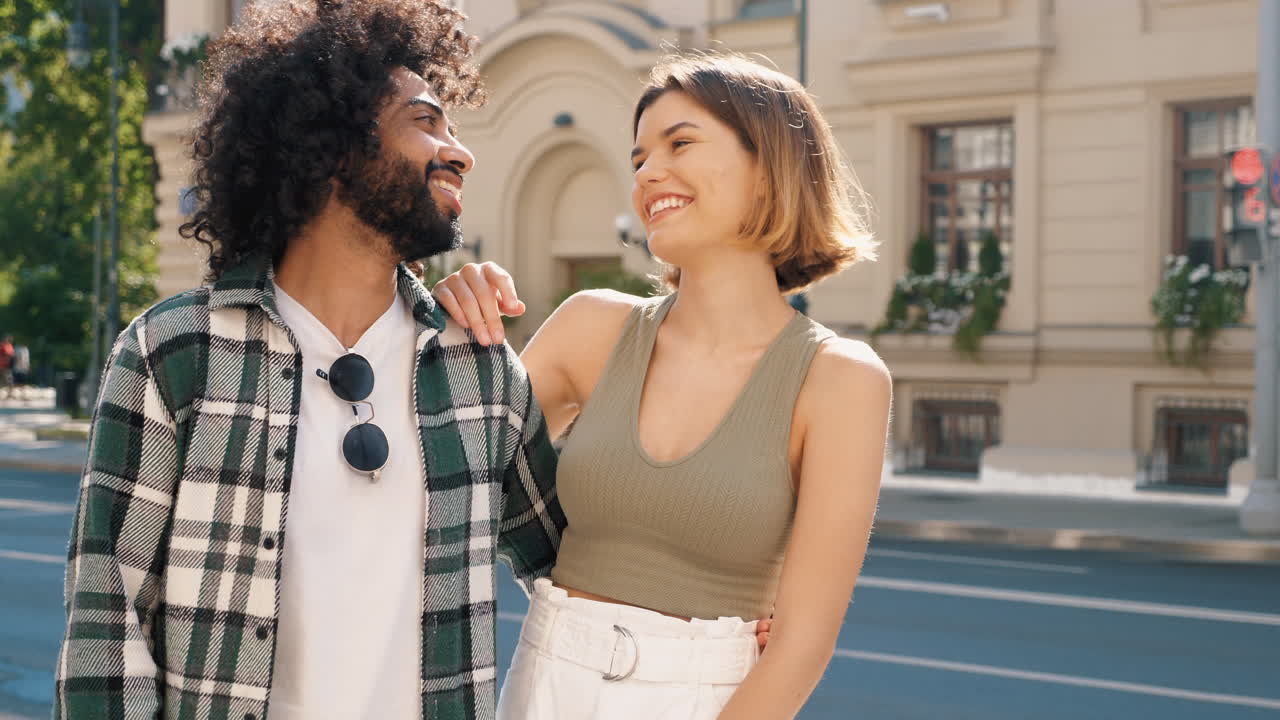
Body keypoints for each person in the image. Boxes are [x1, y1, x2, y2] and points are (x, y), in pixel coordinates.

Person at [53, 2, 566, 719]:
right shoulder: (175, 352)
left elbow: (579, 567)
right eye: (426, 122)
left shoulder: (478, 368)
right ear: (331, 150)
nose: (460, 150)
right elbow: (106, 628)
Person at [433, 54, 892, 720]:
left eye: (680, 143)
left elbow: (802, 646)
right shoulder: (592, 327)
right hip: (546, 682)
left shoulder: (839, 380)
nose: (648, 172)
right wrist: (450, 320)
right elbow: (442, 465)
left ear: (771, 167)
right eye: (639, 156)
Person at [0, 335, 14, 400]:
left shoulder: (10, 346)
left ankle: (9, 394)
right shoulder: (2, 346)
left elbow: (11, 355)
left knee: (8, 381)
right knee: (5, 380)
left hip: (7, 366)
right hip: (2, 365)